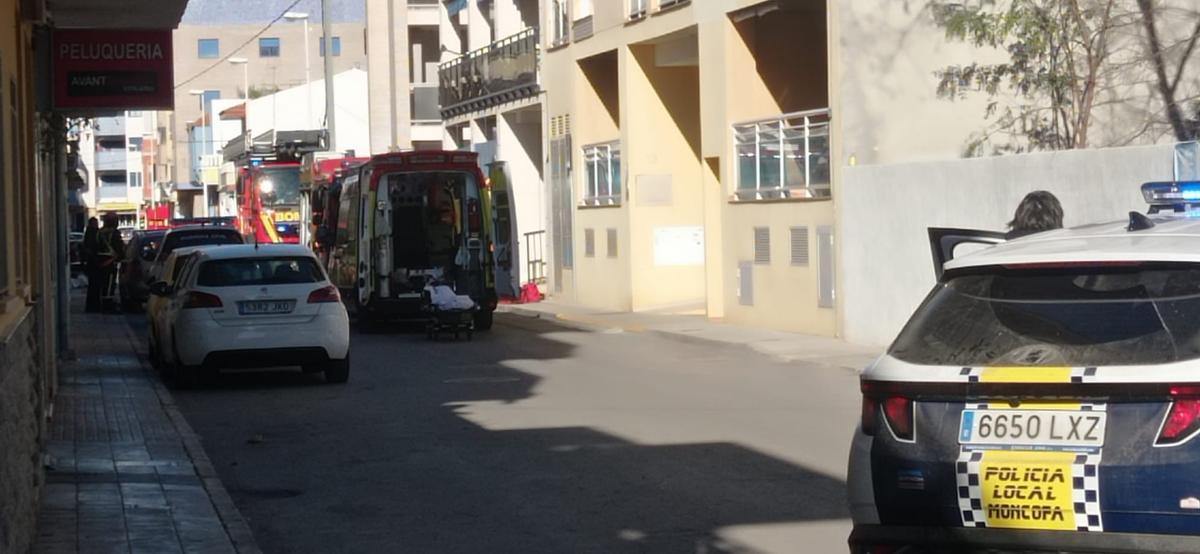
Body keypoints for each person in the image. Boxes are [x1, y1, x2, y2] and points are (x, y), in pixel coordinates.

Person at [94, 213, 125, 312]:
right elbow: (119, 247)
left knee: (103, 284)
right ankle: (108, 306)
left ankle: (103, 304)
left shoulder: (99, 232)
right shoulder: (114, 233)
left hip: (99, 262)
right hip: (110, 261)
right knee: (110, 284)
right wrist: (121, 255)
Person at [82, 217, 102, 312]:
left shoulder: (91, 233)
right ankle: (94, 306)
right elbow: (89, 248)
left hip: (92, 263)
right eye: (95, 223)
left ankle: (92, 306)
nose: (96, 225)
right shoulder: (92, 233)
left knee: (94, 286)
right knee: (94, 286)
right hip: (94, 263)